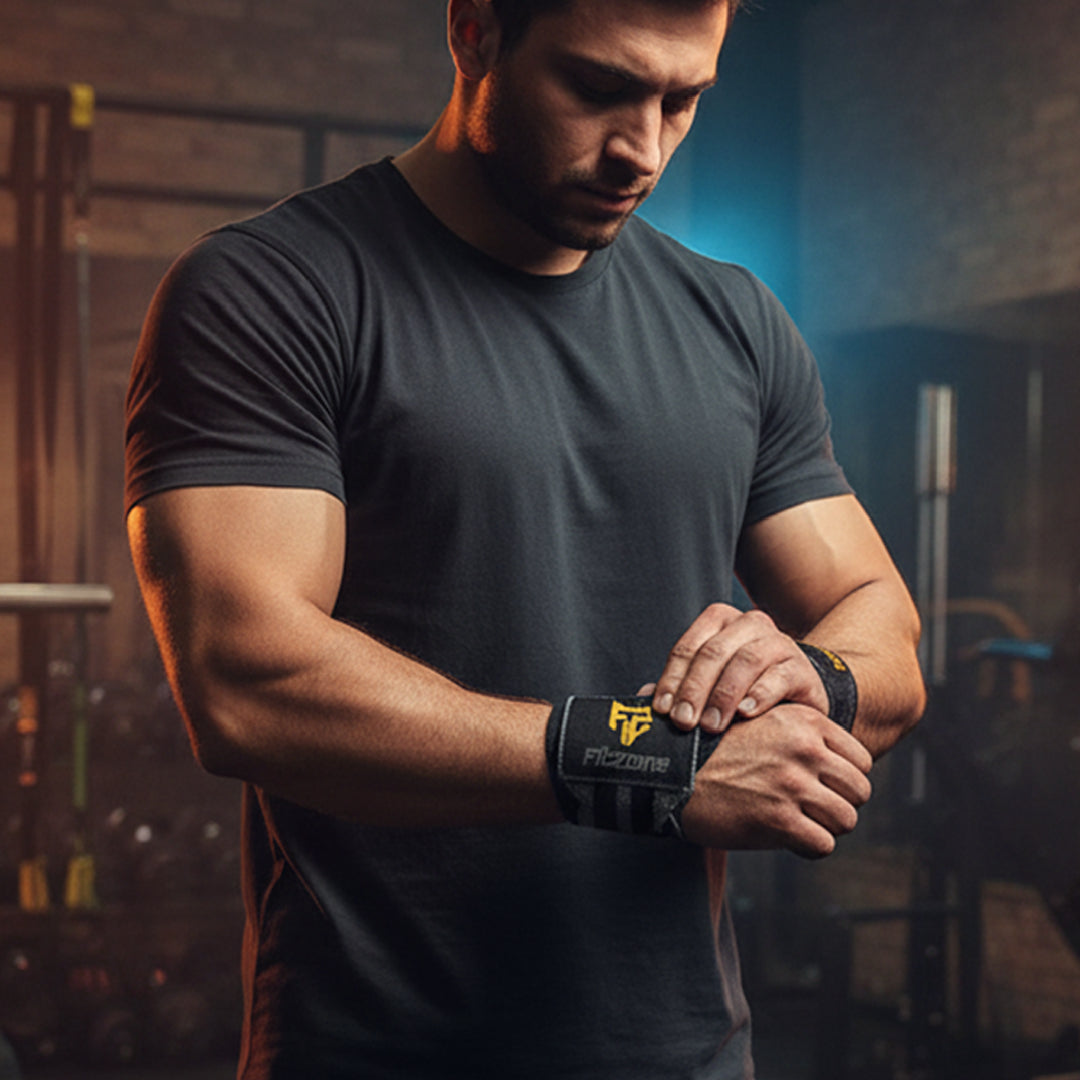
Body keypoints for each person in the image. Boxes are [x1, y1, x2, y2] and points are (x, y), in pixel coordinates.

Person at [124, 0, 925, 1075]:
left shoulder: (735, 323)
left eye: (682, 100)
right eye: (598, 88)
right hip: (383, 1052)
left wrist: (808, 677)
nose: (642, 148)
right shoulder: (271, 292)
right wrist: (653, 768)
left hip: (689, 1054)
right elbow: (244, 682)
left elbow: (888, 637)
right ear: (476, 33)